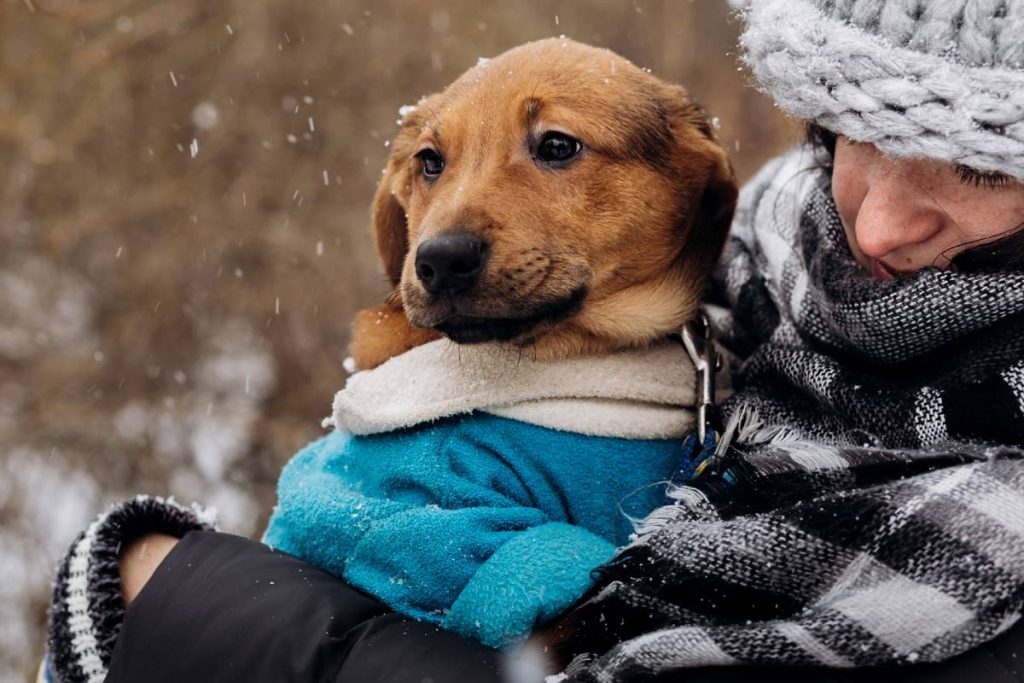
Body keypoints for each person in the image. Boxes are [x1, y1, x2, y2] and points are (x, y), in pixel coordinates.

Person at [41, 0, 1024, 681]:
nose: (879, 226)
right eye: (857, 132)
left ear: (692, 183)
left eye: (982, 168)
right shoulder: (748, 295)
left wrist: (168, 594)